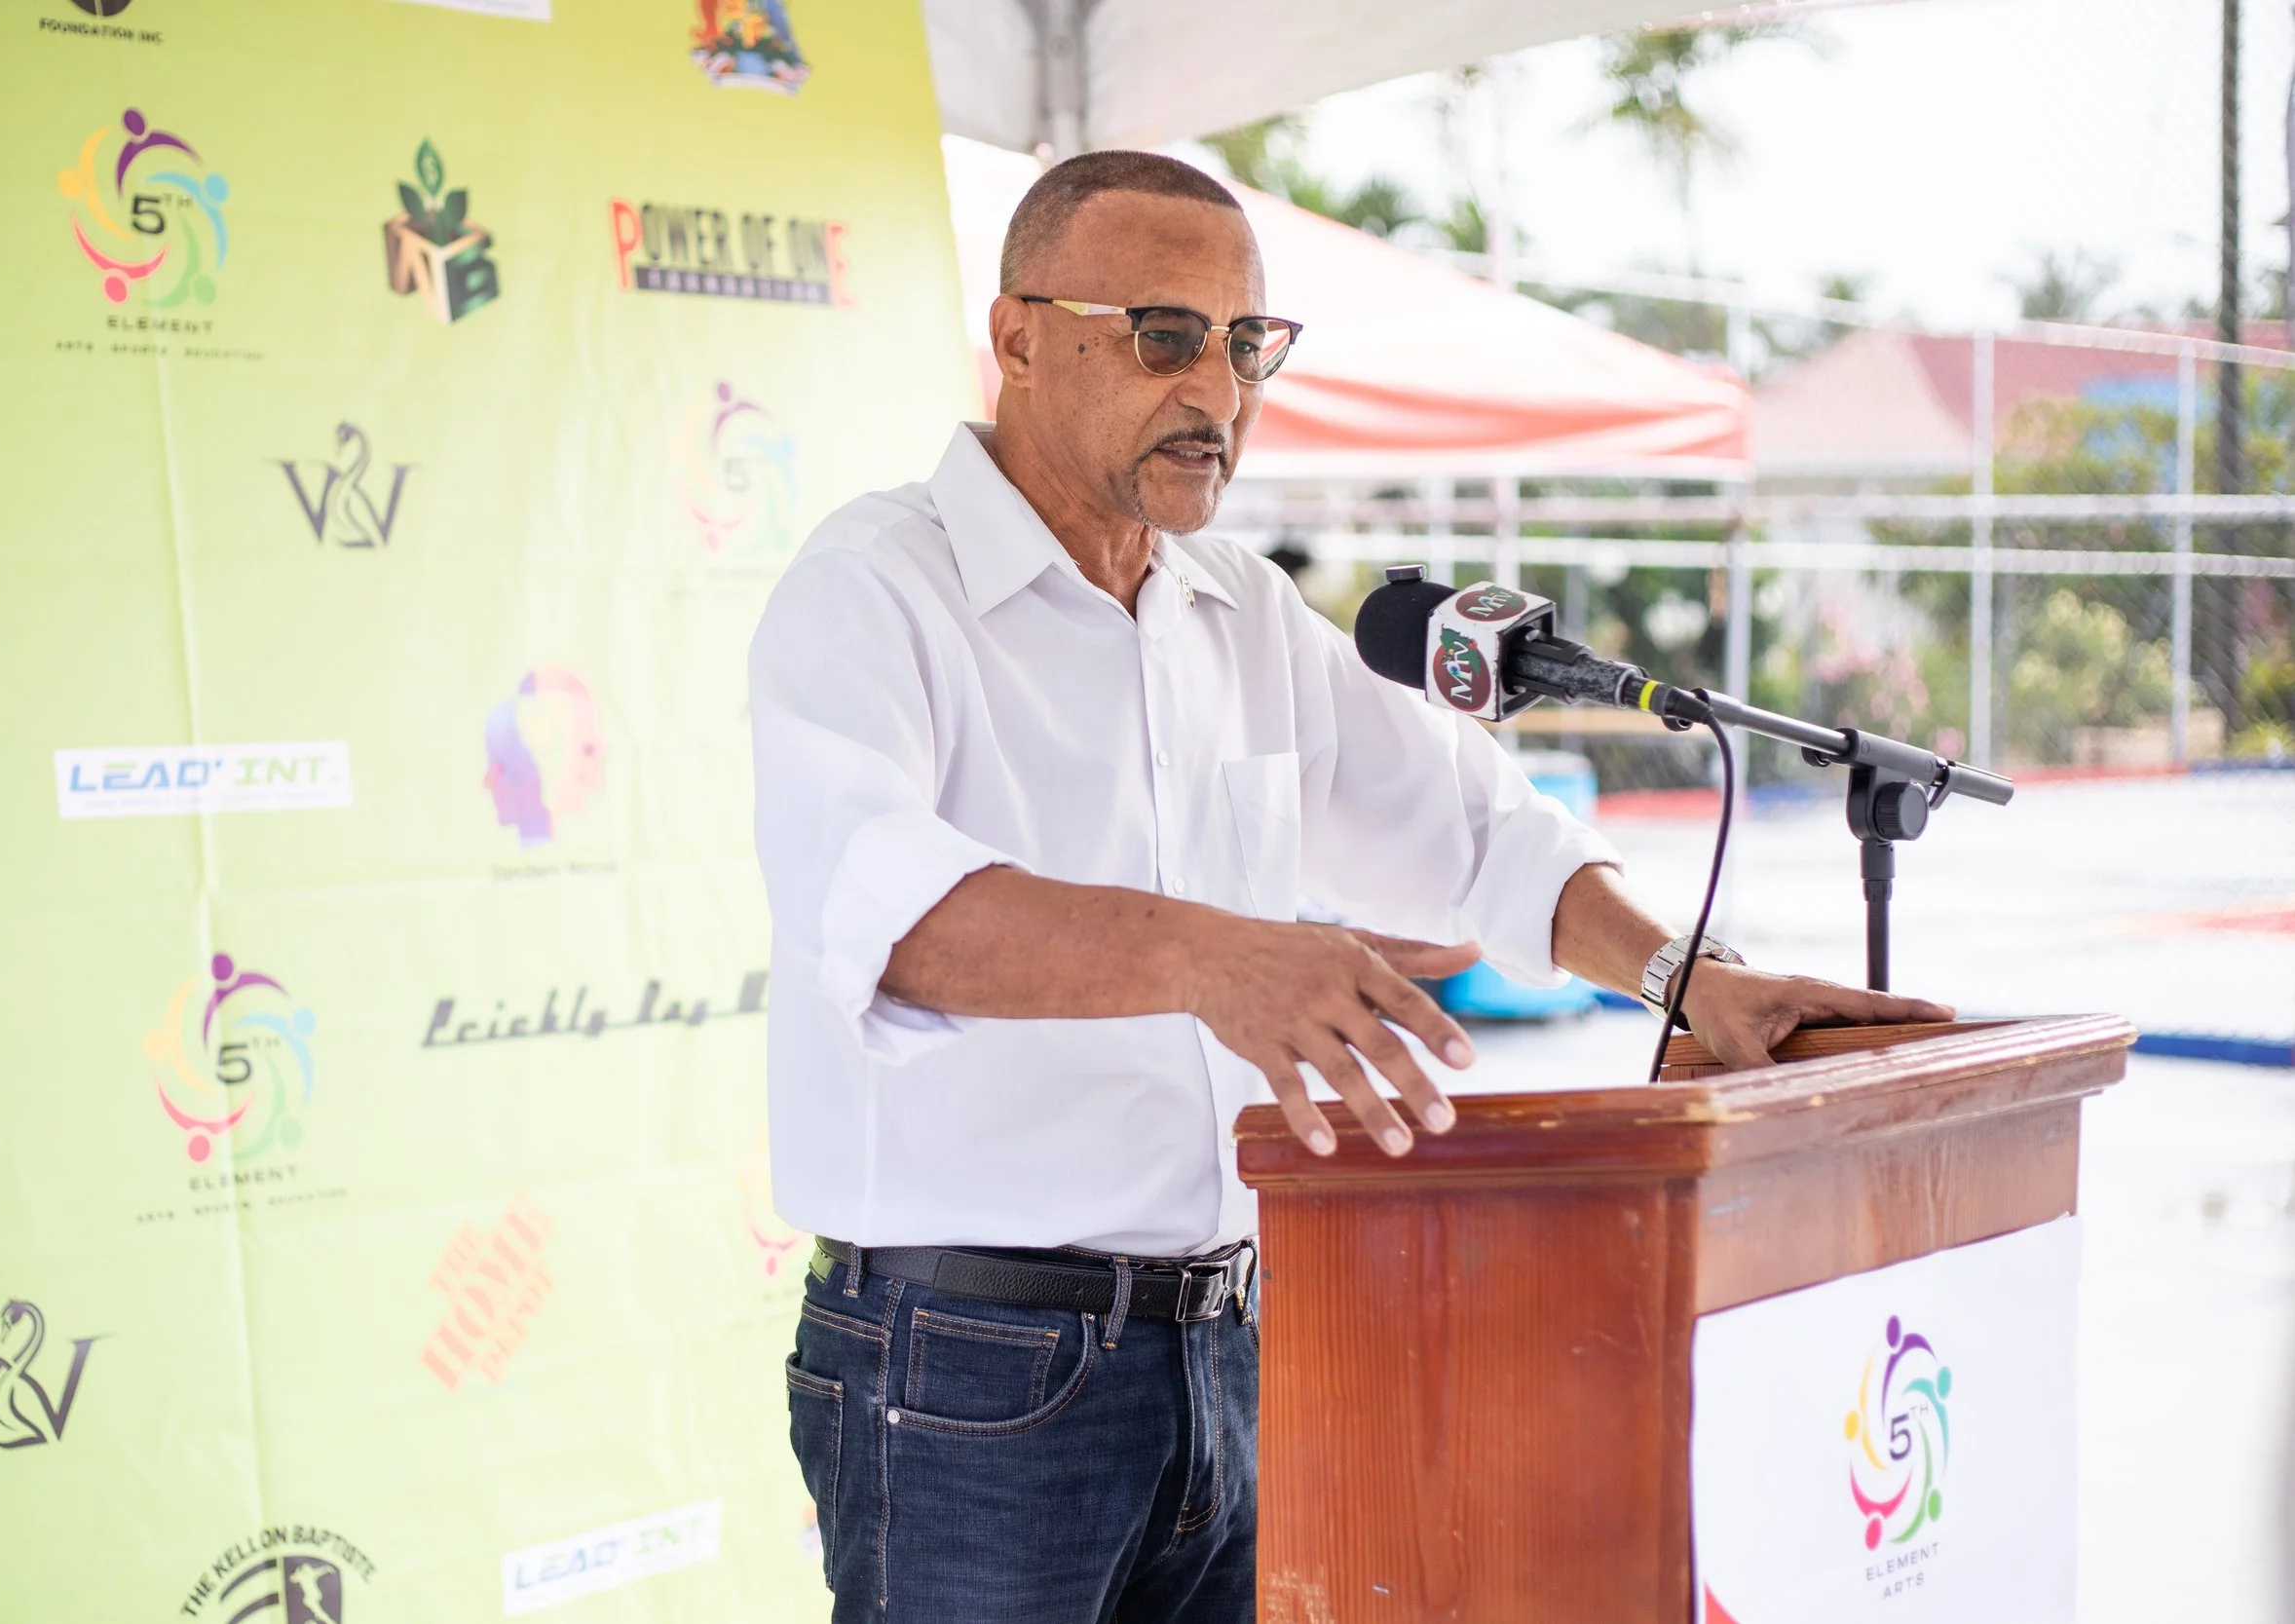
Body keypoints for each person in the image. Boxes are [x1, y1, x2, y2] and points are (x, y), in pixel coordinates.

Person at [747, 150, 1948, 1624]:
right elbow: (893, 917)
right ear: (1015, 337)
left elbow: (1477, 833)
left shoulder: (1235, 607)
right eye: (1162, 334)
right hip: (969, 1370)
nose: (1218, 392)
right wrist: (1218, 956)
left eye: (1247, 343)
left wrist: (1686, 975)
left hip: (1241, 1348)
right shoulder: (872, 587)